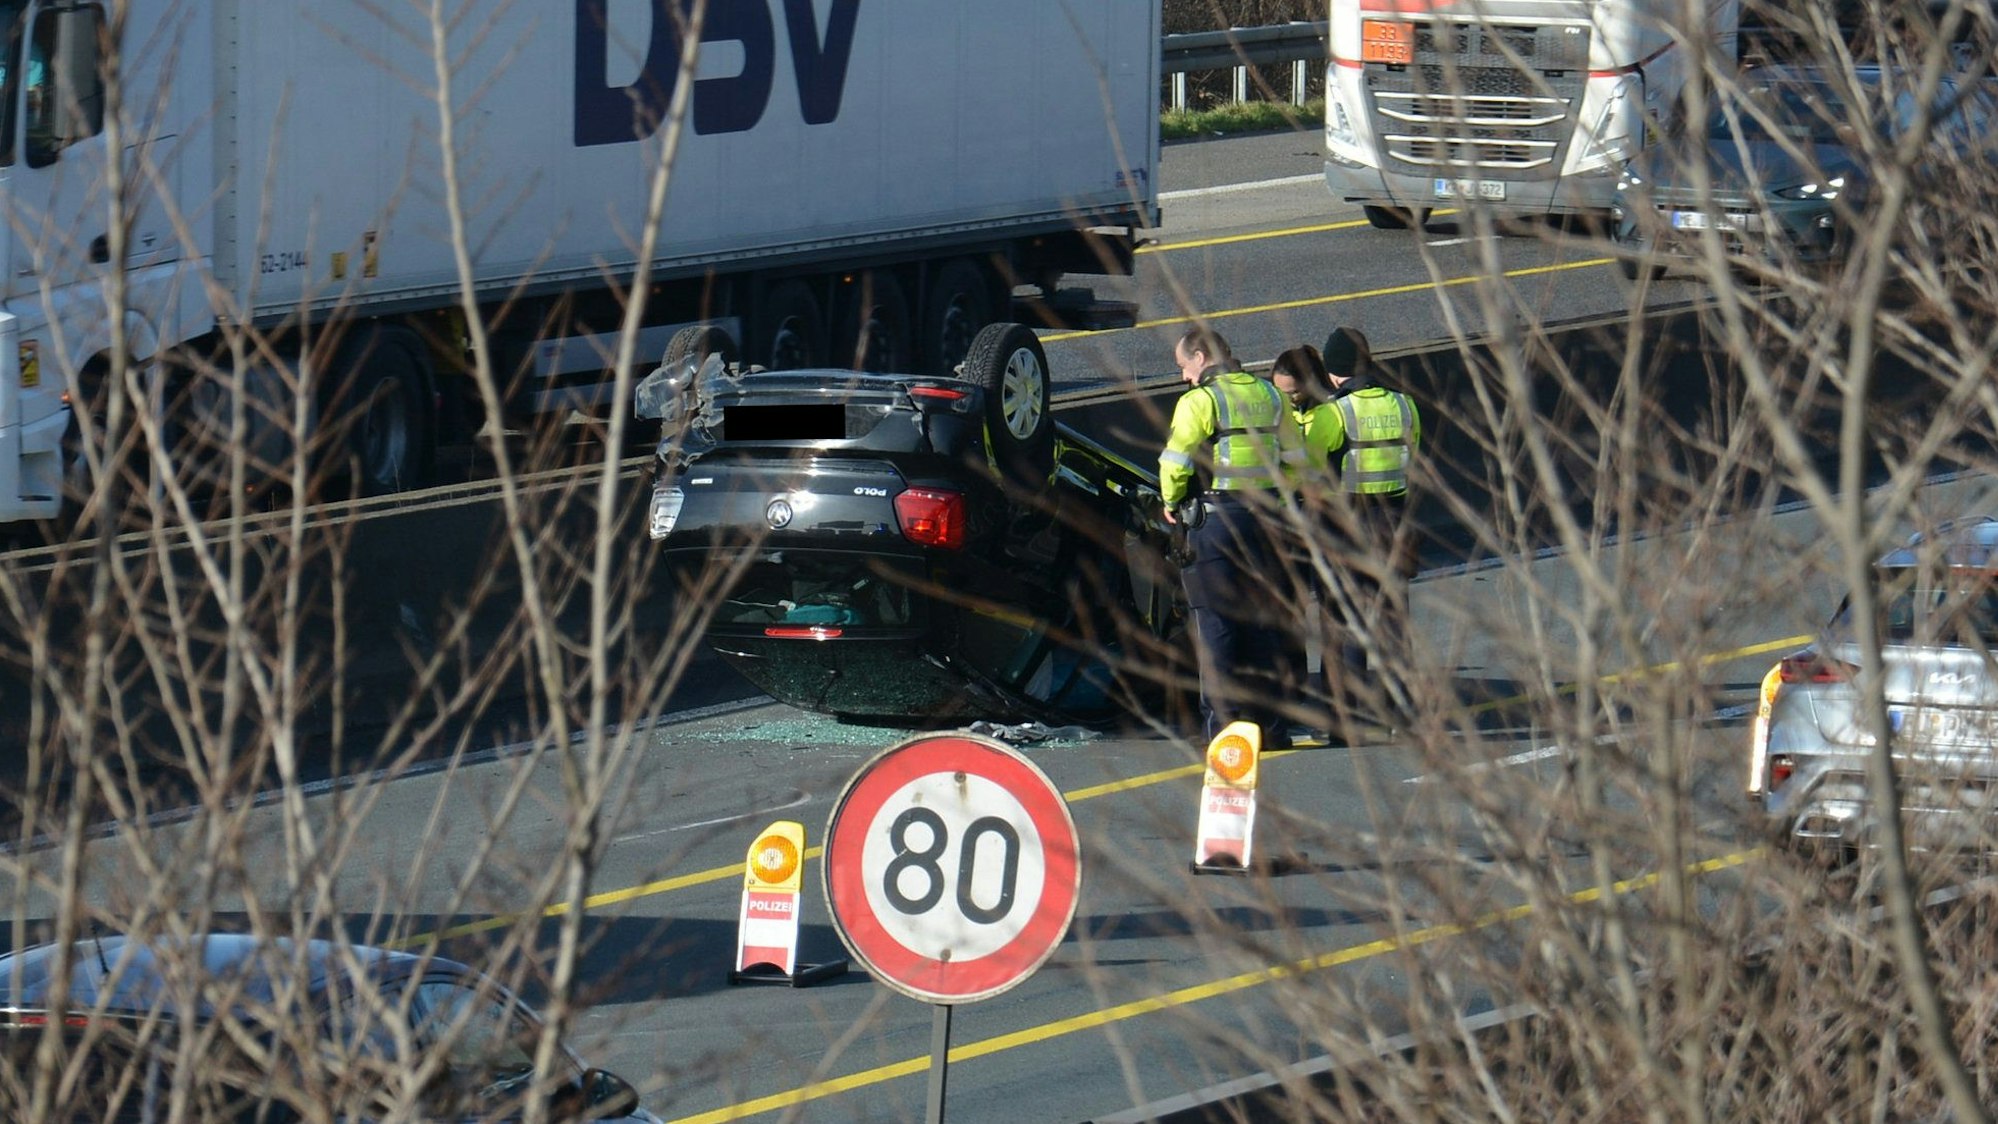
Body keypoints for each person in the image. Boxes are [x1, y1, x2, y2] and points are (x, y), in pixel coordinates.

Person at [1158, 326, 1306, 747]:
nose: (1184, 376)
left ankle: (1223, 732)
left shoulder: (1200, 401)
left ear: (1201, 358)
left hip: (1218, 521)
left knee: (1216, 625)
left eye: (1184, 366)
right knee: (1262, 624)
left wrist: (1171, 501)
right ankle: (1272, 730)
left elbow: (1175, 463)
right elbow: (1297, 463)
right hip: (1268, 520)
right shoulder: (1271, 396)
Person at [1316, 326, 1420, 729]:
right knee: (1394, 622)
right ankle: (1404, 714)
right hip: (1395, 522)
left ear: (1333, 373)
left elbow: (1311, 468)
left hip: (1350, 524)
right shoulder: (1405, 406)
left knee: (1348, 623)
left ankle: (1353, 718)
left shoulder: (1335, 412)